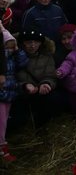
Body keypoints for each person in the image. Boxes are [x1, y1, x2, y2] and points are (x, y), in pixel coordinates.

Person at [15, 29, 59, 128]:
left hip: (41, 91)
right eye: (29, 42)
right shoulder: (14, 57)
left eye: (36, 42)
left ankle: (42, 128)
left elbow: (51, 76)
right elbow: (11, 79)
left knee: (52, 99)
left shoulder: (46, 56)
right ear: (22, 43)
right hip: (21, 92)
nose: (33, 45)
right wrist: (25, 86)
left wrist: (46, 84)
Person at [0, 23, 28, 161]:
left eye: (12, 46)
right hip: (2, 91)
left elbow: (23, 62)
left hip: (9, 92)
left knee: (4, 121)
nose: (11, 49)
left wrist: (17, 49)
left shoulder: (13, 56)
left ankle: (3, 148)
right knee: (1, 123)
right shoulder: (4, 59)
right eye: (8, 46)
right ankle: (2, 150)